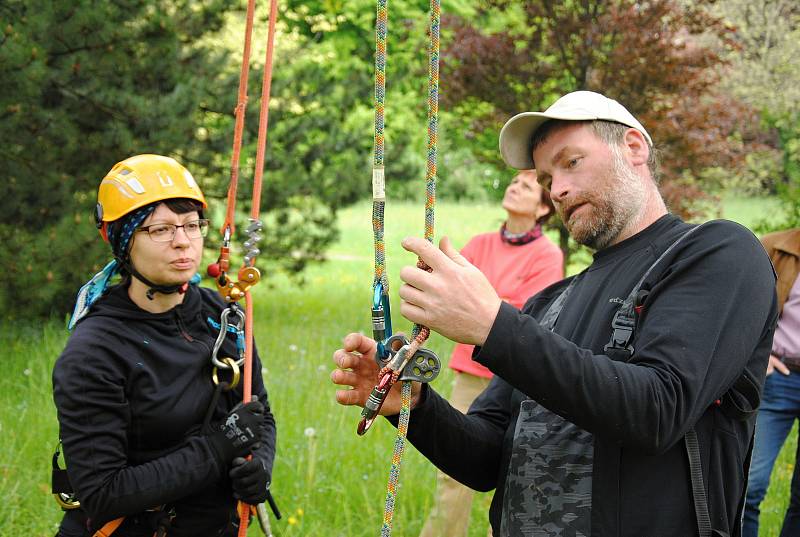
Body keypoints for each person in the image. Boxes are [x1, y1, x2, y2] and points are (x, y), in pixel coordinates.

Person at [332, 91, 778, 536]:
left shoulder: (717, 253)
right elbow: (487, 460)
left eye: (571, 162)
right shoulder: (550, 302)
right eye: (547, 178)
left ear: (633, 147)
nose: (557, 189)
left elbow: (658, 409)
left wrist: (493, 325)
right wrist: (412, 404)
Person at [53, 154, 277, 537]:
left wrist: (260, 468)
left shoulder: (223, 316)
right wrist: (216, 449)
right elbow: (102, 494)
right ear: (124, 241)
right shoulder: (94, 353)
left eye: (192, 225)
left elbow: (258, 414)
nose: (182, 242)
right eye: (160, 230)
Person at [419, 169, 563, 537]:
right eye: (514, 182)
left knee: (518, 475)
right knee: (453, 476)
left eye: (527, 186)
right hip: (471, 374)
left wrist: (477, 303)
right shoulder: (481, 244)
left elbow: (532, 314)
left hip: (517, 381)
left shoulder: (547, 255)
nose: (515, 187)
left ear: (543, 208)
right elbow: (449, 292)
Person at [743, 227, 800, 537]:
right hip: (781, 377)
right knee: (751, 485)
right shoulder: (776, 248)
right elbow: (741, 307)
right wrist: (758, 357)